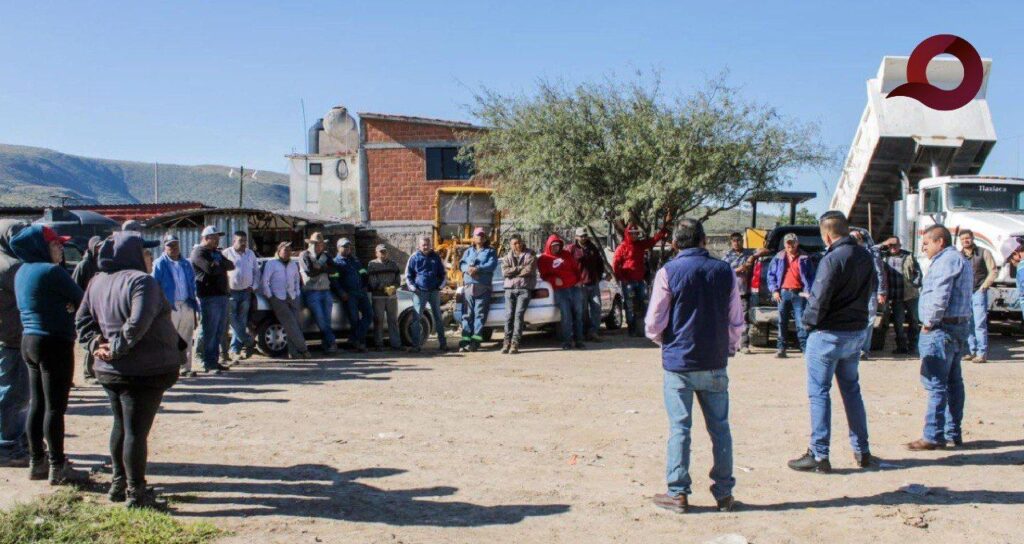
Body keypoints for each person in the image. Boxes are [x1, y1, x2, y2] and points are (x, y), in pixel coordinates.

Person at [75, 232, 182, 508]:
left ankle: (118, 482)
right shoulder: (142, 281)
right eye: (146, 253)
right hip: (143, 369)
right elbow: (137, 322)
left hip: (111, 370)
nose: (150, 258)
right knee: (135, 431)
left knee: (121, 426)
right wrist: (114, 348)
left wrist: (94, 344)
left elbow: (82, 320)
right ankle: (137, 493)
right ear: (133, 255)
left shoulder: (97, 281)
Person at [645, 218, 741, 513]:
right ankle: (724, 494)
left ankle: (678, 493)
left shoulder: (668, 272)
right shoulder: (725, 271)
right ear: (704, 240)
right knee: (720, 428)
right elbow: (735, 318)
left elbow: (654, 322)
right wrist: (729, 347)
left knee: (680, 428)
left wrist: (666, 343)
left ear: (675, 243)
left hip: (679, 364)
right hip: (714, 362)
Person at [788, 211, 875, 473]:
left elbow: (819, 297)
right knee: (852, 391)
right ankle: (862, 451)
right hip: (855, 332)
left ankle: (819, 454)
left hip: (828, 334)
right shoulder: (865, 255)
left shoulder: (832, 258)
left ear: (827, 235)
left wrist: (807, 323)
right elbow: (871, 289)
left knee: (819, 393)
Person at [9, 225, 88, 484]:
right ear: (41, 247)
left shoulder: (22, 271)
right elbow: (83, 301)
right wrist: (68, 307)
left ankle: (37, 462)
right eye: (55, 244)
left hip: (29, 341)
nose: (61, 248)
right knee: (55, 407)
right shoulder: (52, 271)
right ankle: (58, 466)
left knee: (38, 405)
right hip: (54, 342)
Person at [907, 225, 973, 451]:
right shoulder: (960, 259)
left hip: (941, 328)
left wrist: (929, 323)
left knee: (936, 384)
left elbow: (940, 294)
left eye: (926, 243)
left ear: (940, 242)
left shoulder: (946, 261)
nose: (923, 248)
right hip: (956, 327)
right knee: (953, 382)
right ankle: (952, 432)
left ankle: (933, 435)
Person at [0, 220, 29, 468]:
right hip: (12, 338)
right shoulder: (12, 266)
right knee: (13, 394)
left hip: (7, 336)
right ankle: (7, 445)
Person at [152, 234, 199, 377]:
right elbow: (154, 285)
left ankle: (186, 368)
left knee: (187, 337)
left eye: (175, 244)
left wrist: (194, 303)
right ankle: (168, 369)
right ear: (164, 247)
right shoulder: (159, 263)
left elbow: (192, 283)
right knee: (169, 338)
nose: (173, 248)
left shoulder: (186, 263)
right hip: (169, 306)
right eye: (170, 245)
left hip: (186, 303)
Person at [190, 226, 234, 374]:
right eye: (214, 237)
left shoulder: (216, 253)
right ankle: (207, 362)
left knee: (219, 331)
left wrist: (218, 264)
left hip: (222, 295)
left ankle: (214, 360)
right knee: (209, 330)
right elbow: (209, 269)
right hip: (209, 297)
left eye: (218, 237)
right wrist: (219, 265)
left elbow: (231, 265)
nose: (217, 240)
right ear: (205, 238)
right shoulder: (199, 252)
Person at [613, 223, 669, 336]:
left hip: (640, 281)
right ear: (627, 234)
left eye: (636, 233)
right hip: (628, 282)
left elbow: (652, 241)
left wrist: (663, 232)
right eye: (631, 233)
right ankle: (632, 329)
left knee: (645, 304)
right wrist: (621, 278)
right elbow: (615, 264)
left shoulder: (640, 245)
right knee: (629, 306)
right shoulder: (622, 247)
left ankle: (643, 329)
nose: (634, 235)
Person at [767, 233, 815, 358]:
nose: (790, 246)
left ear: (797, 243)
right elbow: (771, 275)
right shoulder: (778, 257)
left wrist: (808, 292)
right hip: (783, 294)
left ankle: (805, 350)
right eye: (788, 244)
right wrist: (774, 291)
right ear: (784, 244)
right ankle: (781, 349)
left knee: (801, 323)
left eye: (792, 243)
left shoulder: (805, 258)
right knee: (782, 322)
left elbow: (811, 276)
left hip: (800, 293)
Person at [261, 242, 310, 359]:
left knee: (295, 324)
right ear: (279, 251)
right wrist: (270, 296)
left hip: (293, 297)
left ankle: (293, 352)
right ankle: (303, 349)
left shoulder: (293, 264)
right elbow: (265, 281)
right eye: (285, 250)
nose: (288, 252)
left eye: (289, 250)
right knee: (290, 323)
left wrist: (297, 293)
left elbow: (297, 280)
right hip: (278, 297)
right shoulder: (271, 263)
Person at [876, 237, 922, 355]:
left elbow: (918, 273)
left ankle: (913, 346)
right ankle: (901, 347)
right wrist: (883, 243)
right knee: (898, 322)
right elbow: (872, 250)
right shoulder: (883, 257)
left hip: (910, 295)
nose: (893, 247)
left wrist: (915, 284)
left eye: (895, 245)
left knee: (913, 320)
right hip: (895, 297)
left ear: (900, 245)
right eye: (890, 245)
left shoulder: (908, 256)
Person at [538, 234, 584, 350]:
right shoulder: (543, 259)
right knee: (566, 315)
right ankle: (567, 342)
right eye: (553, 245)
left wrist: (580, 281)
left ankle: (579, 340)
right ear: (549, 246)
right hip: (561, 290)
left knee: (578, 313)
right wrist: (554, 280)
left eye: (557, 245)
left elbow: (576, 269)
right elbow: (544, 275)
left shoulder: (566, 254)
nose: (556, 247)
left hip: (574, 287)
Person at [958, 230, 997, 364]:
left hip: (978, 292)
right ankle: (971, 351)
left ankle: (981, 353)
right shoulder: (958, 256)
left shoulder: (984, 252)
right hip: (964, 294)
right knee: (968, 323)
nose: (965, 241)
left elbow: (993, 271)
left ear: (973, 238)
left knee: (979, 323)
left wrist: (984, 287)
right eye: (962, 239)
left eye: (967, 238)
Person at [406, 237, 448, 353]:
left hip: (434, 292)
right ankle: (416, 346)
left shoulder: (436, 257)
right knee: (416, 319)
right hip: (419, 292)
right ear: (419, 246)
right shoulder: (414, 257)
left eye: (427, 244)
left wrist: (440, 286)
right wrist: (413, 288)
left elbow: (443, 274)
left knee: (438, 317)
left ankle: (443, 344)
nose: (425, 247)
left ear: (430, 245)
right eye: (423, 245)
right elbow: (408, 275)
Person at [458, 227, 498, 352]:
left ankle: (475, 341)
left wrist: (478, 269)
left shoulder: (490, 251)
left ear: (485, 238)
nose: (479, 237)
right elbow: (462, 264)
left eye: (481, 235)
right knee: (467, 314)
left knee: (479, 314)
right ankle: (465, 340)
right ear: (473, 238)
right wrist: (468, 269)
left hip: (483, 287)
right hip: (469, 287)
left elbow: (491, 265)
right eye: (477, 235)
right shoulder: (468, 251)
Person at [222, 231, 259, 361]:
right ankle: (248, 340)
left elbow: (256, 271)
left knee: (242, 321)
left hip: (246, 292)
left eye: (245, 241)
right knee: (233, 320)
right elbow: (221, 273)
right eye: (240, 241)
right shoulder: (226, 253)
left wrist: (253, 286)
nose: (243, 243)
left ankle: (235, 349)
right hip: (231, 292)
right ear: (234, 241)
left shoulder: (250, 254)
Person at [850, 231, 887, 359]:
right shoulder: (846, 251)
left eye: (856, 237)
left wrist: (881, 292)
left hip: (870, 291)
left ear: (861, 239)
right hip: (853, 292)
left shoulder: (872, 252)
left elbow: (880, 272)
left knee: (869, 320)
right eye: (851, 237)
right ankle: (853, 349)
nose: (854, 239)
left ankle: (864, 350)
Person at [72, 236, 104, 381]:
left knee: (99, 338)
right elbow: (75, 286)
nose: (100, 249)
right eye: (97, 246)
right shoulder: (84, 265)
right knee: (90, 338)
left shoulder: (102, 263)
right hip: (87, 309)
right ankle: (88, 373)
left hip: (100, 308)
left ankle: (97, 370)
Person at [332, 238, 372, 353]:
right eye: (344, 246)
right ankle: (360, 343)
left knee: (369, 315)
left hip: (361, 292)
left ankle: (354, 338)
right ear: (338, 248)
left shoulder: (355, 260)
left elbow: (363, 273)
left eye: (348, 246)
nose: (347, 248)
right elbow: (334, 280)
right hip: (349, 295)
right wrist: (341, 292)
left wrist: (365, 285)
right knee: (354, 319)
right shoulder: (335, 262)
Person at [299, 232, 337, 354]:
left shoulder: (326, 255)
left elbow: (334, 270)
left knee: (326, 320)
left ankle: (326, 346)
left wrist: (320, 268)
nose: (319, 246)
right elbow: (310, 272)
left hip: (326, 290)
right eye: (316, 244)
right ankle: (332, 342)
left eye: (320, 244)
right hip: (311, 292)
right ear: (311, 244)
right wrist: (325, 269)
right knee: (321, 319)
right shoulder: (305, 255)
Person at [500, 234, 537, 354]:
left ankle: (515, 343)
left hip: (524, 289)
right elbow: (505, 272)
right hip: (509, 289)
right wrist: (519, 269)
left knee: (518, 315)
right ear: (510, 245)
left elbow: (529, 270)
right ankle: (506, 342)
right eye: (514, 243)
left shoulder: (530, 254)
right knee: (509, 315)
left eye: (519, 242)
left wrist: (513, 272)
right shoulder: (507, 257)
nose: (517, 245)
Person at [567, 227, 606, 342]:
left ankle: (593, 332)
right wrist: (574, 280)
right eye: (581, 236)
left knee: (597, 307)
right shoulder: (571, 249)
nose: (584, 238)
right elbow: (568, 267)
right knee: (583, 310)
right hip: (580, 285)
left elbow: (600, 263)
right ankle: (584, 332)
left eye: (585, 235)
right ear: (576, 237)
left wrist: (599, 276)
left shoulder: (592, 247)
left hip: (593, 283)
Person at [722, 233, 756, 354]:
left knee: (744, 319)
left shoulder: (749, 253)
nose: (737, 243)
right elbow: (724, 270)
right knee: (728, 318)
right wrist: (739, 269)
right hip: (729, 292)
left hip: (743, 291)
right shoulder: (727, 255)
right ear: (731, 242)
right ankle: (729, 344)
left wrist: (753, 256)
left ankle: (744, 344)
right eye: (734, 241)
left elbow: (765, 250)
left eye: (739, 240)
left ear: (742, 241)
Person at [366, 244, 402, 351]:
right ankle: (378, 344)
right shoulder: (372, 264)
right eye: (381, 252)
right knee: (378, 320)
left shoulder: (393, 264)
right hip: (378, 297)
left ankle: (395, 344)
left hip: (391, 297)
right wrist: (385, 288)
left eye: (384, 252)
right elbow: (372, 281)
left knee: (393, 320)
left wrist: (394, 287)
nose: (383, 254)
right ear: (376, 253)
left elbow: (398, 280)